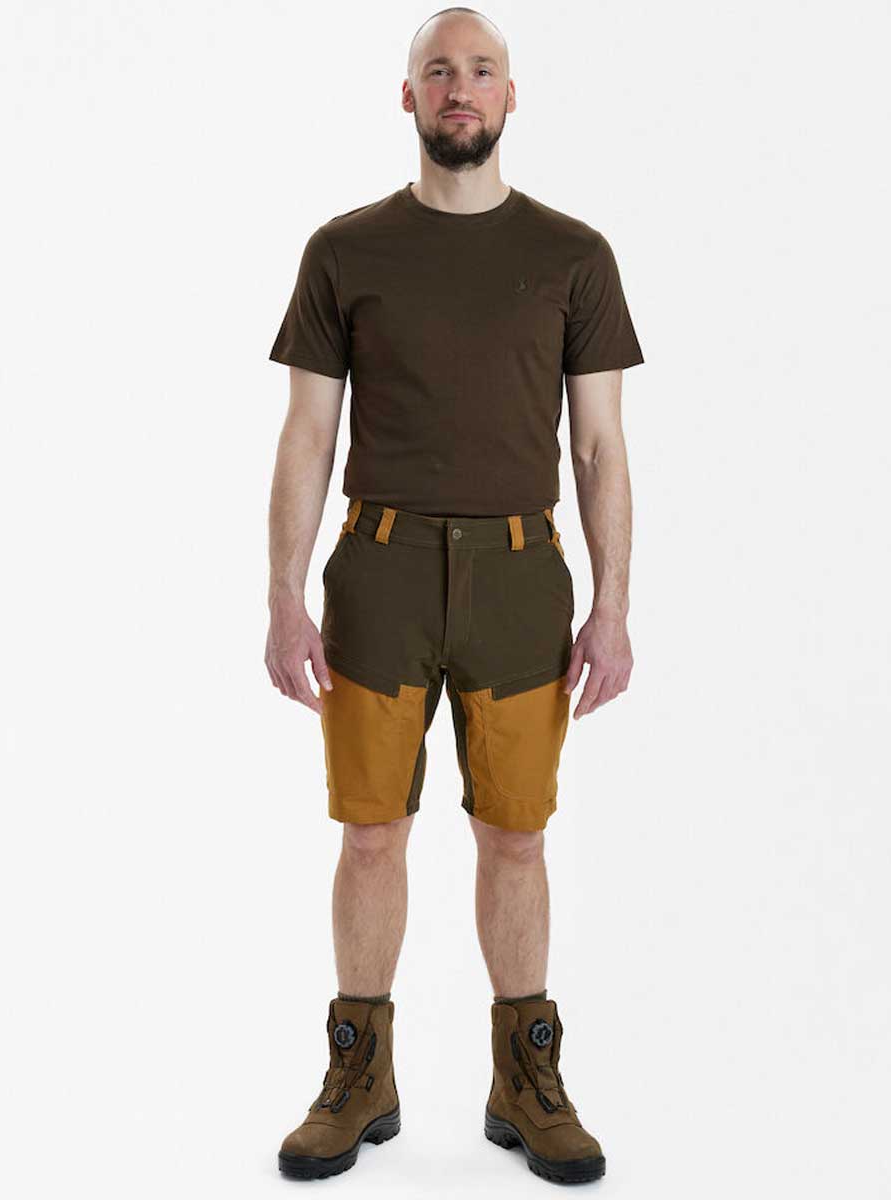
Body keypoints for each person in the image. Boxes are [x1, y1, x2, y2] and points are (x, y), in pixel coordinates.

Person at [264, 5, 643, 1184]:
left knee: (516, 836)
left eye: (482, 70)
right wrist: (283, 595)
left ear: (511, 97)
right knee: (371, 831)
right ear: (410, 96)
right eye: (440, 70)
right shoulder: (345, 250)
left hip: (522, 577)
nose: (460, 88)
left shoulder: (575, 255)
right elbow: (307, 433)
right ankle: (358, 1076)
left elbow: (600, 446)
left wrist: (613, 604)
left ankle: (525, 1078)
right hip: (377, 571)